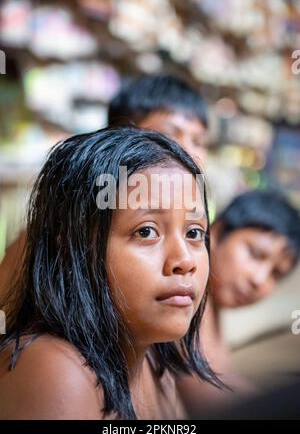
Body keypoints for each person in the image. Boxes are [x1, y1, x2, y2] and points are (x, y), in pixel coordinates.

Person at [0, 126, 220, 420]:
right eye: (146, 231)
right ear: (73, 248)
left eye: (194, 232)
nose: (184, 260)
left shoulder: (156, 360)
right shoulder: (57, 371)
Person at [0, 73, 208, 292]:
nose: (188, 152)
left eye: (198, 141)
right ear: (118, 136)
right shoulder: (68, 220)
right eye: (168, 136)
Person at [177, 190, 300, 413]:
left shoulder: (212, 308)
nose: (259, 280)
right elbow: (210, 402)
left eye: (276, 274)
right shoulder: (184, 297)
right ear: (217, 231)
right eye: (255, 254)